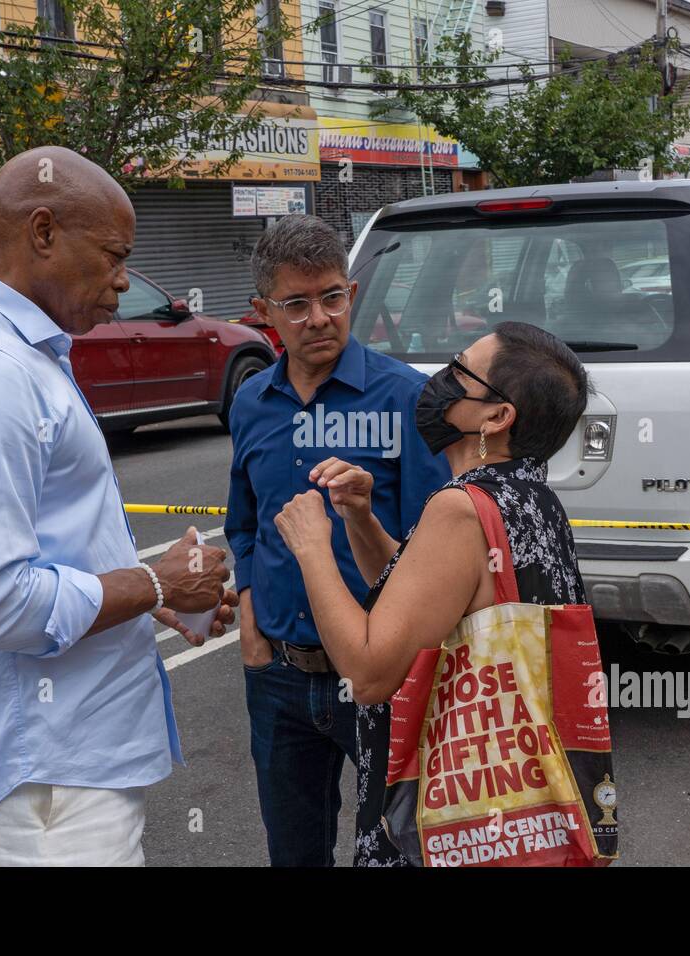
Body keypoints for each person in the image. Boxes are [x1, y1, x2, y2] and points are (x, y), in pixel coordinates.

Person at [0, 145, 237, 866]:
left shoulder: (17, 352)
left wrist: (146, 602)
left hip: (62, 770)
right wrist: (154, 583)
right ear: (42, 232)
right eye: (113, 255)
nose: (121, 282)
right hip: (41, 783)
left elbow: (46, 550)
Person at [272, 322, 594, 866]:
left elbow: (370, 674)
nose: (439, 380)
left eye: (459, 370)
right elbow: (426, 602)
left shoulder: (460, 508)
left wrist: (311, 549)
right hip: (510, 807)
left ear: (497, 416)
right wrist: (361, 519)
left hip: (443, 817)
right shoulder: (529, 497)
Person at [224, 214, 450, 866]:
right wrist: (248, 618)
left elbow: (435, 552)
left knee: (404, 850)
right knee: (294, 854)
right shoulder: (251, 404)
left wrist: (363, 516)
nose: (319, 318)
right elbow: (244, 525)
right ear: (264, 311)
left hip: (383, 678)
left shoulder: (405, 400)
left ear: (351, 296)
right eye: (296, 304)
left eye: (331, 297)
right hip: (281, 680)